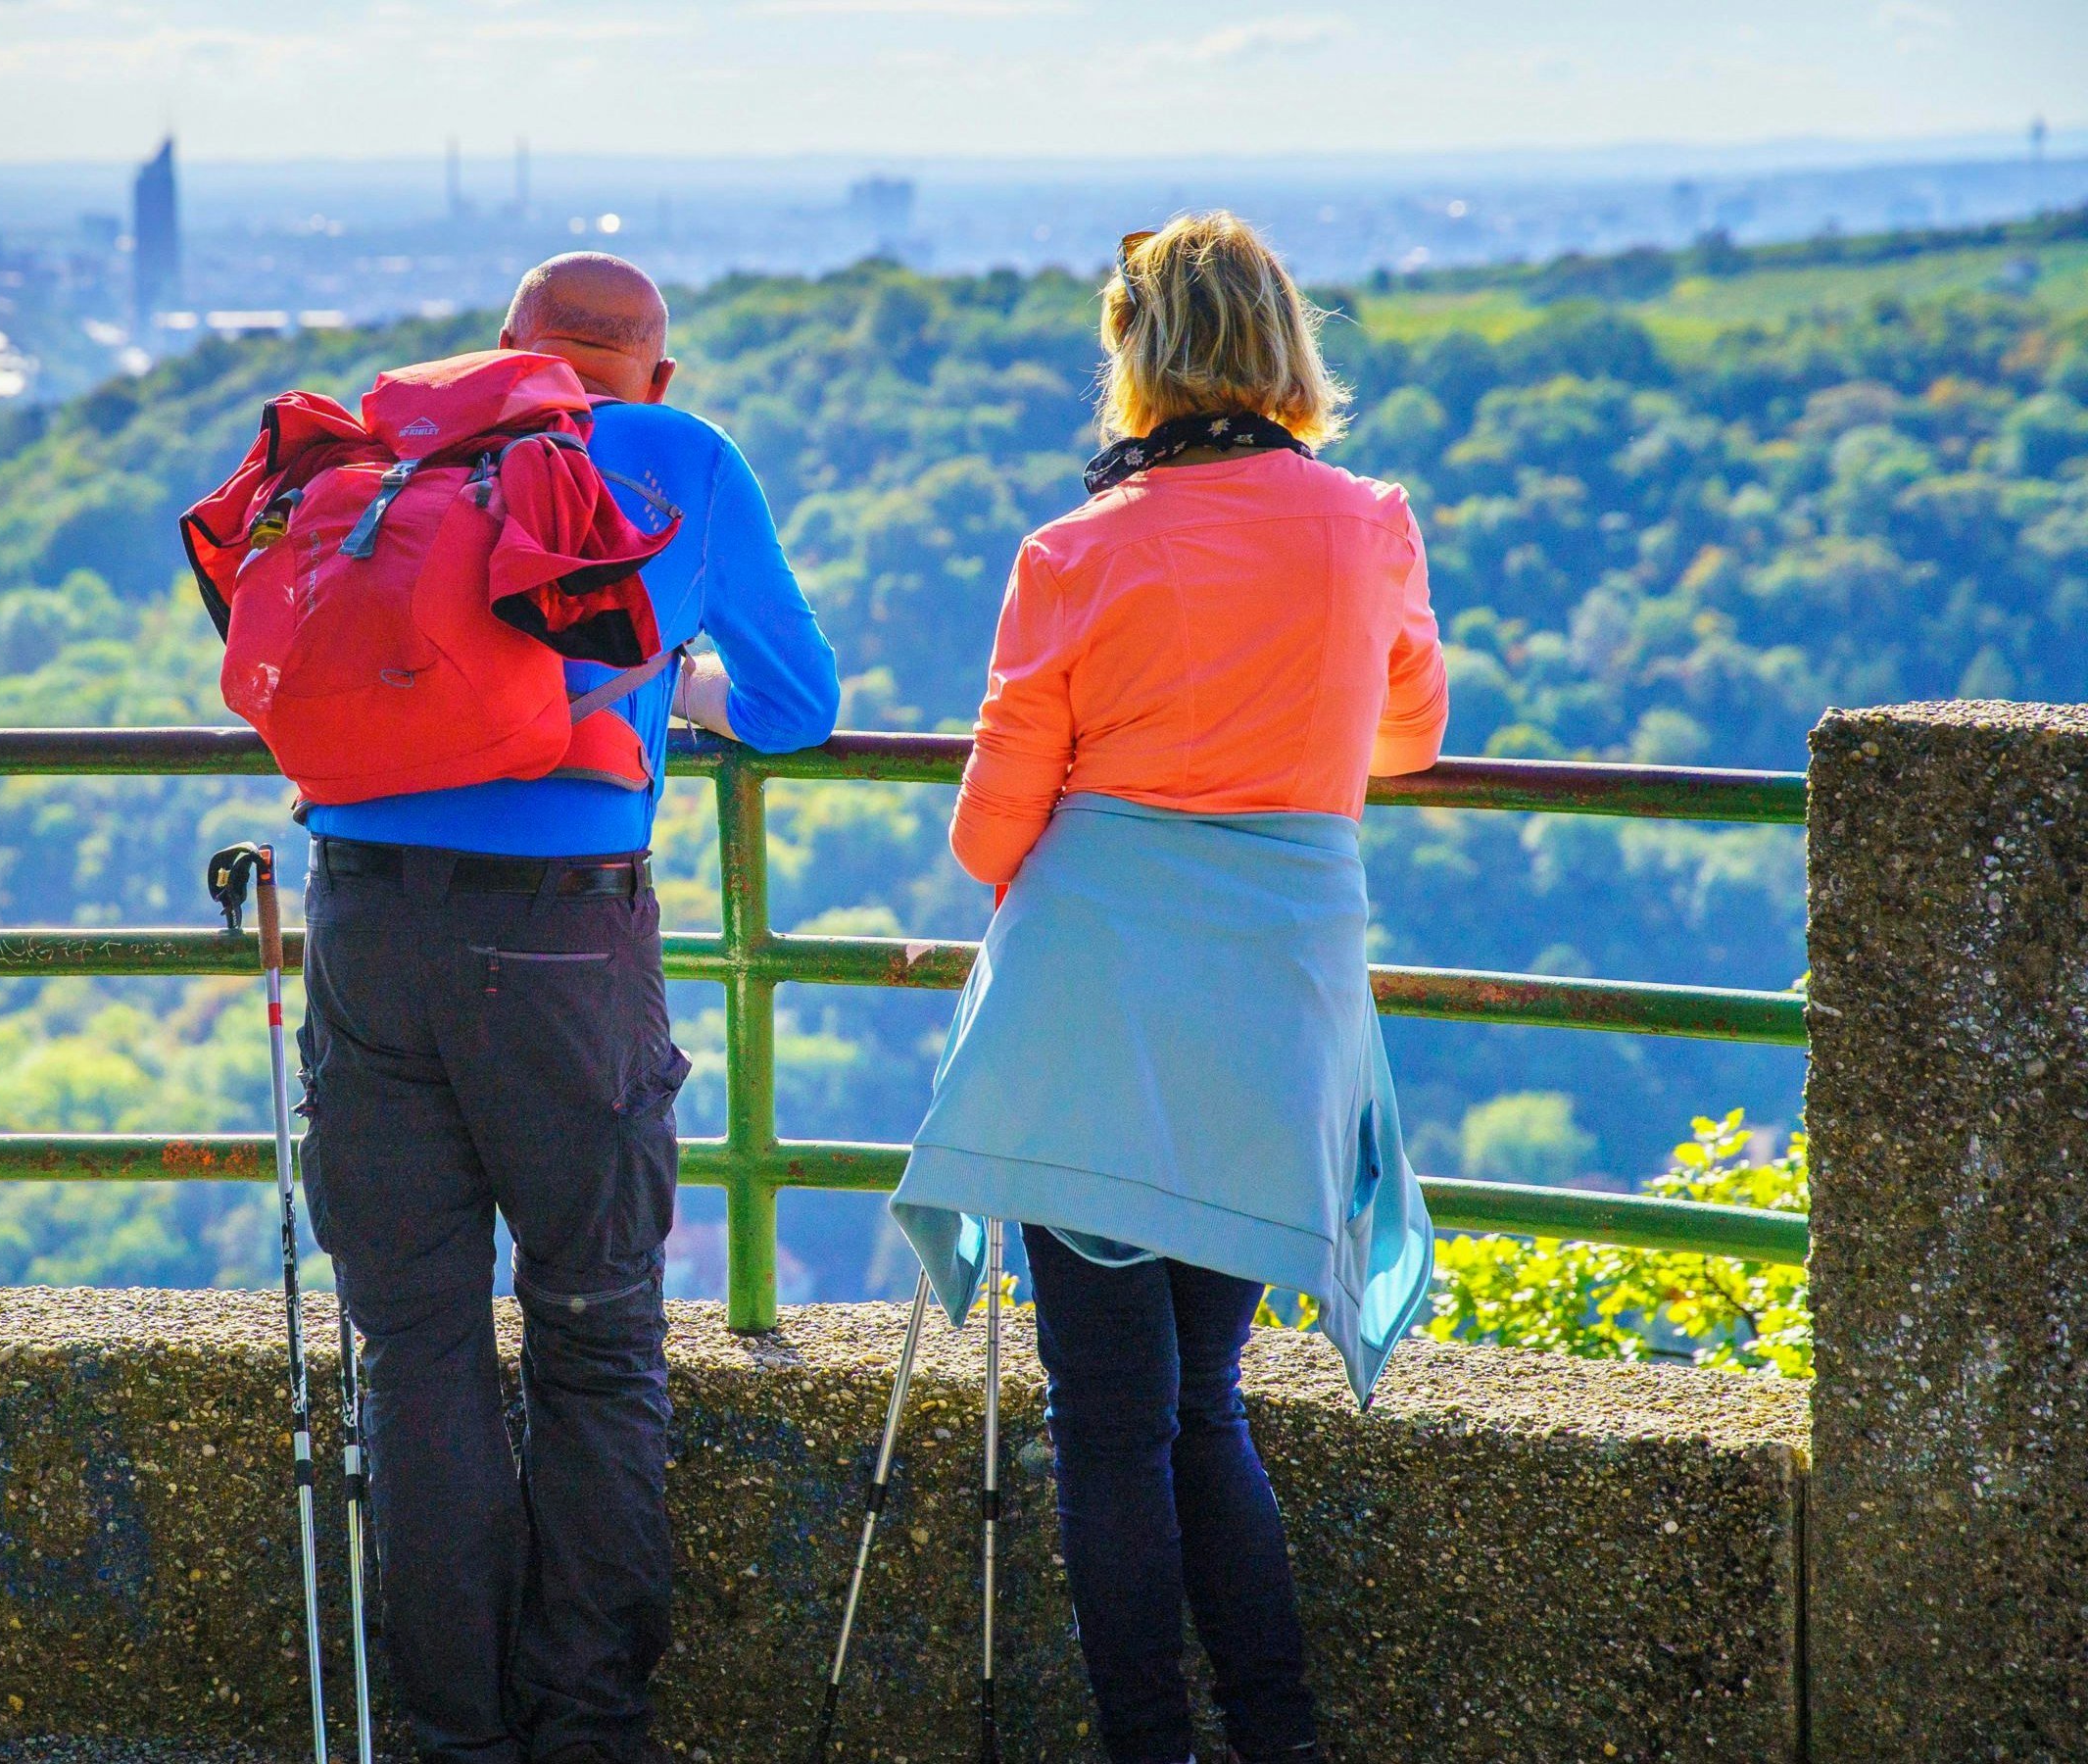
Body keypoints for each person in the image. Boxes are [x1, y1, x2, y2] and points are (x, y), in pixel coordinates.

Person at [887, 213, 1448, 1764]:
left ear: (1135, 354)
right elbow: (1405, 738)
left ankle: (1152, 1744)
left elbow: (989, 829)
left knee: (1107, 1424)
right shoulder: (1369, 524)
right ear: (1287, 346)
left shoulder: (1073, 553)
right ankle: (1280, 1733)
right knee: (1209, 1399)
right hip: (1280, 990)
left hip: (1097, 1000)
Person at [295, 252, 841, 1764]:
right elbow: (799, 704)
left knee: (415, 1346)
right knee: (596, 1335)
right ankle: (588, 1728)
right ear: (651, 375)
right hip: (558, 948)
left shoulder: (412, 457)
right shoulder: (681, 456)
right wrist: (677, 687)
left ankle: (456, 1735)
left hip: (358, 916)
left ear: (509, 355)